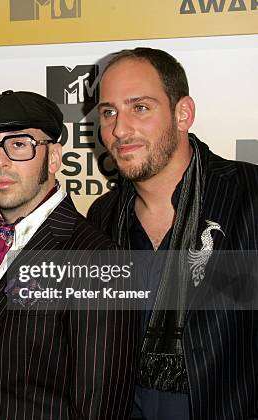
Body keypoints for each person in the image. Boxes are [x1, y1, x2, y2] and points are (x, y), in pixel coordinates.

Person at [88, 47, 258, 420]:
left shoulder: (248, 196)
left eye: (140, 107)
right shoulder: (101, 219)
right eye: (109, 112)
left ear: (183, 114)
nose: (119, 129)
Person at [0, 90, 139, 419]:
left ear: (54, 158)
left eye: (19, 144)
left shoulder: (96, 258)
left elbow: (99, 407)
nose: (0, 161)